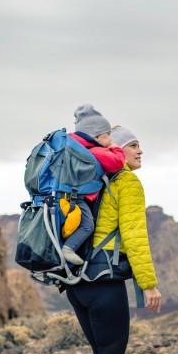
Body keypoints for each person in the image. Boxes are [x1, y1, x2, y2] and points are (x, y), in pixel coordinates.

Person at [37, 125, 162, 354]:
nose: (140, 151)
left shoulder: (89, 185)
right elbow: (135, 238)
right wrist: (148, 284)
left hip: (77, 284)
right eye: (134, 145)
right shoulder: (126, 183)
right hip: (105, 285)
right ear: (118, 151)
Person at [61, 104, 126, 266]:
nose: (110, 139)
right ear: (96, 137)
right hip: (78, 198)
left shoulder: (74, 147)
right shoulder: (95, 150)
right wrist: (116, 148)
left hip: (66, 196)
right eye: (107, 136)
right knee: (88, 226)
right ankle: (68, 249)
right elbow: (118, 163)